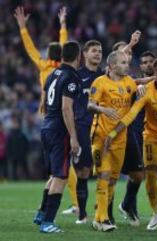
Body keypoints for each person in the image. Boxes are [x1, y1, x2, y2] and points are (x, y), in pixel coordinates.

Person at [108, 56, 157, 231]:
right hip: (151, 138)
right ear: (156, 73)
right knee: (149, 174)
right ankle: (156, 214)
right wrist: (113, 133)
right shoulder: (147, 91)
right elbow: (132, 114)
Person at [88, 51, 137, 232]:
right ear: (113, 66)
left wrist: (142, 88)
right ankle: (104, 219)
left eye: (127, 62)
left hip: (120, 139)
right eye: (123, 63)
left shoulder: (129, 83)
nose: (127, 65)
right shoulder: (100, 82)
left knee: (113, 180)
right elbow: (89, 105)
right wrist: (103, 109)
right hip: (100, 137)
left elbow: (138, 86)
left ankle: (98, 217)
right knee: (104, 175)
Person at [35, 41, 82, 233]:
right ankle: (48, 222)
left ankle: (41, 214)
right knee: (61, 176)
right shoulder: (72, 77)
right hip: (59, 131)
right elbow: (66, 107)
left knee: (55, 175)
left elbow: (44, 101)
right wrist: (73, 137)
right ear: (79, 57)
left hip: (46, 126)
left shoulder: (52, 73)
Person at [118, 50, 155, 226]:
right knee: (136, 172)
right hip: (135, 130)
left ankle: (129, 206)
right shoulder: (132, 83)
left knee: (143, 172)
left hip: (153, 133)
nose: (147, 64)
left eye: (150, 62)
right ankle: (128, 208)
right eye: (144, 62)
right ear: (140, 65)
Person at [71, 40, 103, 224]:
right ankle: (82, 214)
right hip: (82, 128)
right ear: (84, 54)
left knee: (104, 172)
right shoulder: (77, 75)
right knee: (83, 172)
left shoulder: (105, 76)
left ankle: (103, 212)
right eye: (94, 51)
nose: (97, 54)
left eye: (99, 51)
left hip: (102, 129)